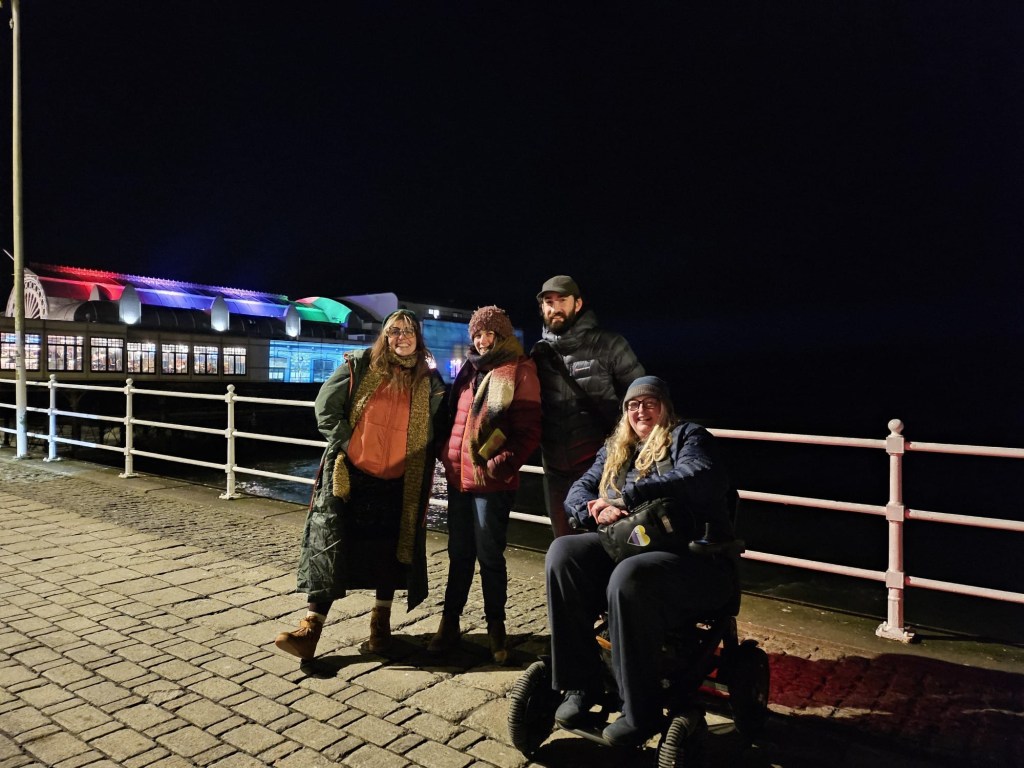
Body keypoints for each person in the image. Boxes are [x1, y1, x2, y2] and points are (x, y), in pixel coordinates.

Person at [545, 376, 738, 746]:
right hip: (627, 546)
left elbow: (699, 475)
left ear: (665, 407)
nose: (640, 411)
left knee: (629, 575)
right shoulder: (617, 447)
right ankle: (579, 685)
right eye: (633, 405)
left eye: (650, 402)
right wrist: (593, 510)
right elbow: (579, 490)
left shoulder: (688, 437)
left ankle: (640, 711)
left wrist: (627, 498)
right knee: (563, 554)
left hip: (691, 558)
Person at [274, 309, 446, 660]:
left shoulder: (429, 380)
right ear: (384, 336)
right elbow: (326, 409)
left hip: (399, 481)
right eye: (394, 331)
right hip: (351, 476)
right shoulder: (361, 365)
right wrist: (351, 445)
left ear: (418, 337)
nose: (401, 337)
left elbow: (443, 425)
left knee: (388, 554)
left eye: (409, 331)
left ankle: (380, 628)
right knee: (332, 547)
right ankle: (310, 629)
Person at [429, 306, 542, 664]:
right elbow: (454, 418)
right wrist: (444, 452)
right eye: (477, 334)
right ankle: (450, 622)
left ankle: (496, 626)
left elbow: (529, 430)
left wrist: (499, 464)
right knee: (458, 554)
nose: (481, 340)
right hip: (458, 478)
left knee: (490, 556)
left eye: (488, 333)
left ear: (502, 334)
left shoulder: (520, 370)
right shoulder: (470, 369)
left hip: (492, 483)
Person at [531, 275, 644, 537]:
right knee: (563, 544)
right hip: (555, 471)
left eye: (562, 300)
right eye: (549, 302)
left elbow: (643, 399)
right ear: (542, 308)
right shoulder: (539, 353)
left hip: (602, 470)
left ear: (578, 303)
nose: (555, 308)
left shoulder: (610, 345)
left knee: (606, 543)